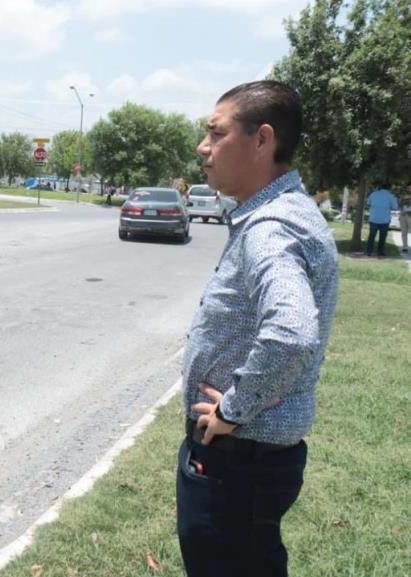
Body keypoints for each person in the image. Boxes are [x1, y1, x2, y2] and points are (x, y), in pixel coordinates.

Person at [180, 80, 339, 577]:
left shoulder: (272, 226)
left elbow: (291, 332)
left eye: (216, 133)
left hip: (238, 460)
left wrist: (234, 407)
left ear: (262, 140)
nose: (203, 148)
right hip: (250, 460)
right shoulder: (281, 213)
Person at [365, 184, 398, 257]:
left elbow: (368, 203)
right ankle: (380, 252)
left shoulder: (373, 194)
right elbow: (395, 207)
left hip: (373, 218)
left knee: (371, 236)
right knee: (382, 237)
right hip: (385, 219)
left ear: (380, 188)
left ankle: (369, 251)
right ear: (389, 189)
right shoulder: (391, 196)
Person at [398, 185, 410, 253]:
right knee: (404, 232)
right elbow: (399, 205)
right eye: (408, 187)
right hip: (403, 215)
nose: (409, 189)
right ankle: (405, 247)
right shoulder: (403, 195)